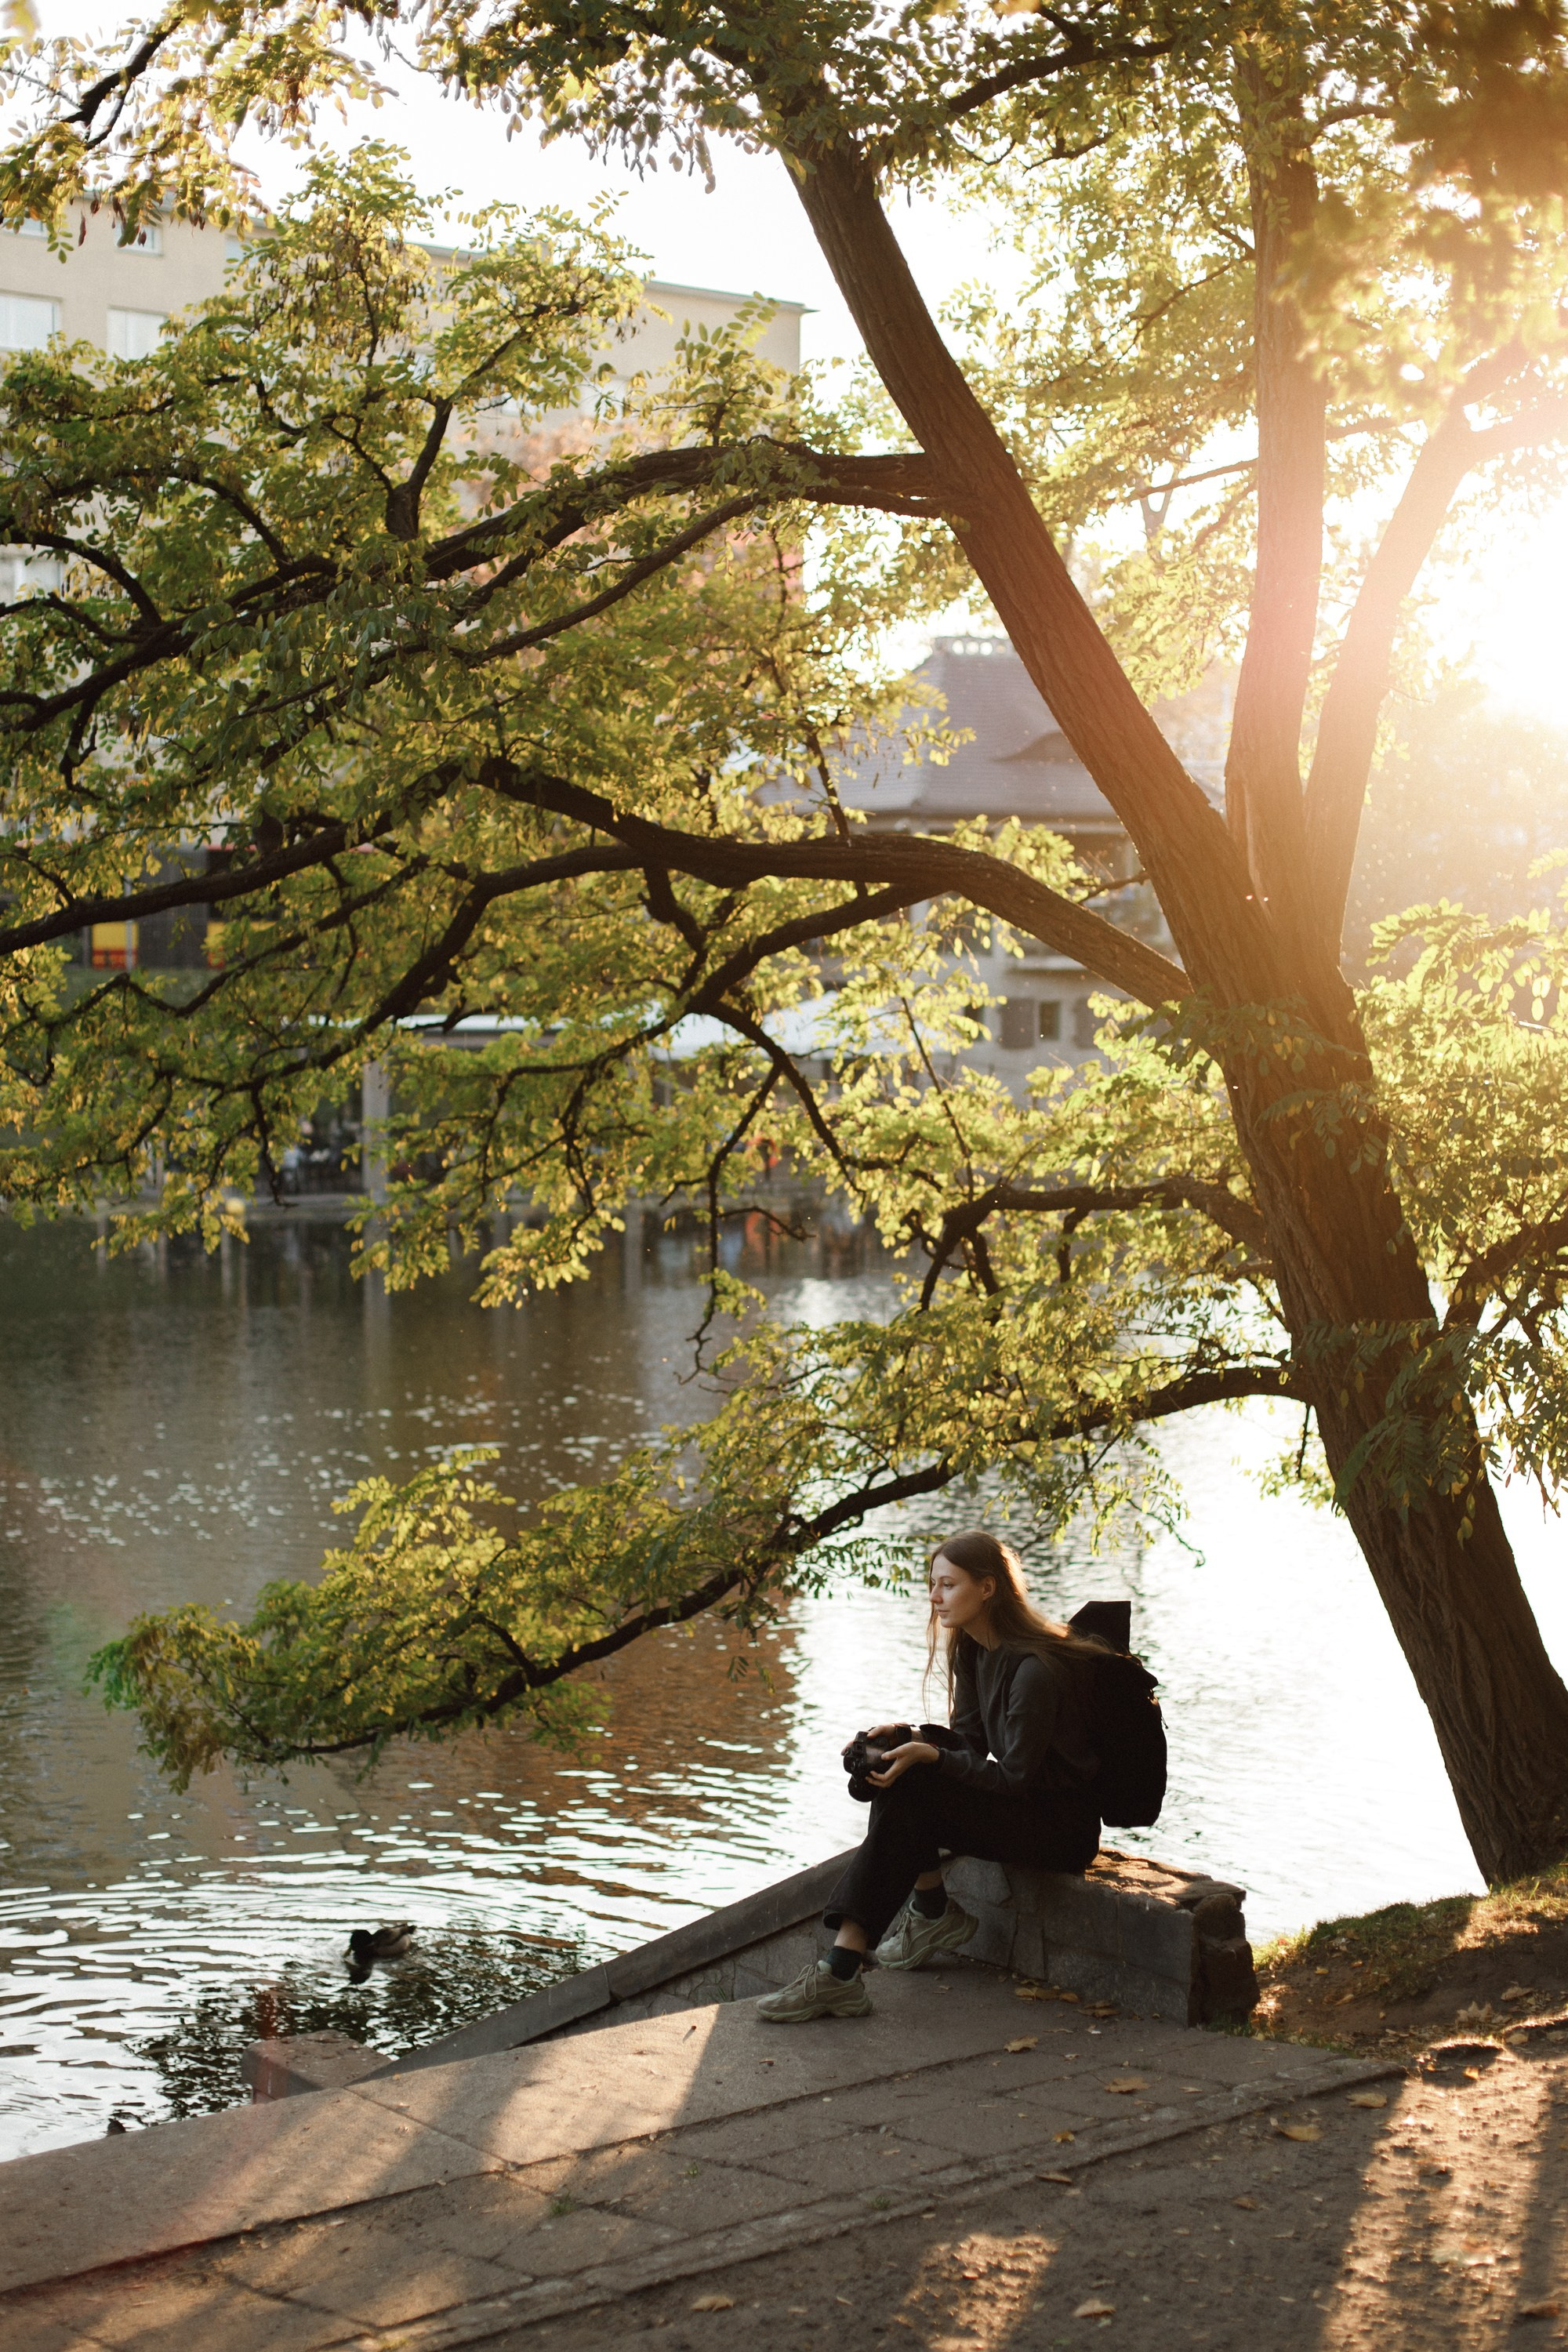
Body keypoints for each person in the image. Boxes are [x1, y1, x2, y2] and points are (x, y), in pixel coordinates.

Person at [757, 1530, 1104, 2023]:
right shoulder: (975, 1651)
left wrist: (930, 1756)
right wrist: (907, 1736)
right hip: (1021, 1809)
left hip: (1058, 1830)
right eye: (933, 1584)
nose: (935, 1597)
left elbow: (1013, 1779)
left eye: (948, 1585)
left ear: (988, 1588)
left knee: (918, 1777)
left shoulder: (1035, 1671)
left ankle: (879, 1946)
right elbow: (970, 1743)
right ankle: (891, 1936)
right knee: (907, 1772)